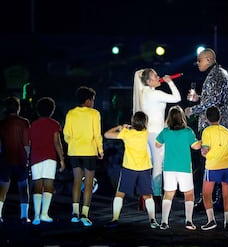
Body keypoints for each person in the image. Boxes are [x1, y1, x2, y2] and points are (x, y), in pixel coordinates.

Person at [184, 48, 228, 210]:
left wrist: (193, 109)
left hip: (214, 128)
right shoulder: (219, 73)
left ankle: (212, 201)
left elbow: (214, 102)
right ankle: (214, 200)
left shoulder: (217, 75)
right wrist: (198, 98)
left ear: (209, 59)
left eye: (199, 60)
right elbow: (214, 98)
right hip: (217, 127)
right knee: (213, 163)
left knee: (210, 164)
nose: (197, 63)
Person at [133, 68, 181, 209]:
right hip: (156, 134)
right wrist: (170, 82)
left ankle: (145, 197)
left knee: (148, 165)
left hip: (147, 133)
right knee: (158, 166)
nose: (158, 77)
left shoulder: (144, 93)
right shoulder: (156, 94)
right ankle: (157, 197)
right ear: (148, 81)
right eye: (155, 76)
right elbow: (177, 98)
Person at [103, 111, 159, 229]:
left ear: (133, 121)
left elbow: (107, 134)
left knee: (119, 194)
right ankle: (152, 220)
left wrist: (120, 127)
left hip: (129, 168)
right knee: (147, 196)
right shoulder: (145, 133)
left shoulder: (126, 133)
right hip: (144, 168)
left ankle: (115, 218)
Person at [155, 105, 201, 230]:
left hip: (169, 167)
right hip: (184, 168)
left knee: (168, 194)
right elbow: (196, 147)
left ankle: (164, 222)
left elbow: (157, 144)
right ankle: (189, 221)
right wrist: (203, 141)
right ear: (182, 118)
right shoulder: (188, 132)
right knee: (189, 194)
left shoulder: (165, 132)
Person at [63, 86, 104, 227]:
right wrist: (100, 149)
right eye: (92, 100)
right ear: (87, 100)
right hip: (89, 152)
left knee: (76, 181)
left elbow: (66, 135)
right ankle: (85, 215)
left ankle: (75, 213)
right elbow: (97, 134)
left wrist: (73, 143)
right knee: (88, 183)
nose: (93, 102)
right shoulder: (94, 114)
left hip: (74, 152)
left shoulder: (70, 113)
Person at [200, 106, 228, 231]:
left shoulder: (206, 131)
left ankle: (211, 220)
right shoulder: (227, 131)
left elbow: (205, 150)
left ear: (206, 118)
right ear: (220, 117)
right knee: (227, 194)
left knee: (206, 193)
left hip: (213, 166)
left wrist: (203, 150)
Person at [29, 97, 66, 225]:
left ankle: (36, 215)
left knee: (37, 186)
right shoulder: (54, 124)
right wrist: (62, 159)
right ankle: (45, 214)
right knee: (49, 186)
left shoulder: (33, 125)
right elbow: (57, 142)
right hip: (50, 158)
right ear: (52, 110)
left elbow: (30, 143)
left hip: (35, 158)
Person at [0, 96, 31, 224]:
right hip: (21, 158)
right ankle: (24, 216)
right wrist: (28, 157)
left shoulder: (2, 123)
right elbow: (26, 143)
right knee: (23, 187)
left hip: (5, 159)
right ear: (18, 108)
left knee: (2, 188)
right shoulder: (24, 122)